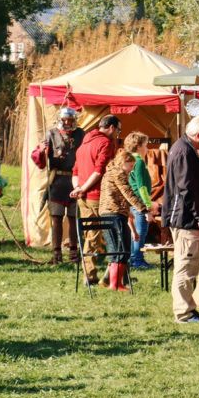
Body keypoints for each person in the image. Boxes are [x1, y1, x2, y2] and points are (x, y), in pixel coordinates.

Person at [163, 116, 199, 323]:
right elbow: (187, 189)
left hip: (184, 216)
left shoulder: (183, 148)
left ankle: (188, 308)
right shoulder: (185, 152)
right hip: (185, 218)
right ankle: (184, 312)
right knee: (186, 265)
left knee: (187, 265)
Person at [71, 114, 122, 286]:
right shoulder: (105, 143)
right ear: (112, 128)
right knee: (97, 236)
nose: (117, 134)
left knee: (92, 235)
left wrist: (78, 188)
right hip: (95, 195)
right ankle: (91, 275)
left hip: (83, 195)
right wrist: (84, 189)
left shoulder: (84, 144)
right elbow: (100, 170)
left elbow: (75, 171)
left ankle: (109, 275)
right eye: (118, 130)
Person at [98, 132, 150, 291]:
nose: (131, 169)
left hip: (115, 213)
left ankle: (116, 282)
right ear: (124, 162)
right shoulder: (118, 174)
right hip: (112, 214)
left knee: (122, 250)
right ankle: (114, 284)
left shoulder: (113, 172)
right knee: (119, 250)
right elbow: (128, 193)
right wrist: (144, 209)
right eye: (131, 166)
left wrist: (131, 220)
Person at [42, 107, 86, 265]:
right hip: (58, 181)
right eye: (65, 120)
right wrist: (42, 151)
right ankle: (57, 254)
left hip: (75, 181)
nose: (67, 123)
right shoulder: (52, 133)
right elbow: (41, 159)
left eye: (70, 120)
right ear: (60, 119)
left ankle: (74, 254)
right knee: (56, 218)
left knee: (74, 218)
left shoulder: (81, 134)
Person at [126, 136, 155, 269]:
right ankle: (137, 259)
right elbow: (141, 185)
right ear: (138, 146)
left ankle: (134, 258)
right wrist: (147, 206)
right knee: (140, 231)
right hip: (139, 201)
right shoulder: (138, 162)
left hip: (132, 200)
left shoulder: (128, 160)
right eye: (145, 145)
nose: (147, 148)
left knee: (136, 231)